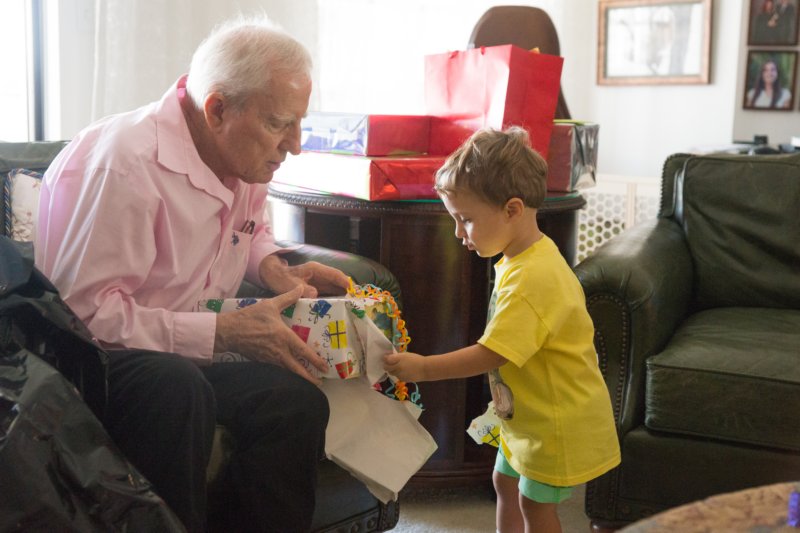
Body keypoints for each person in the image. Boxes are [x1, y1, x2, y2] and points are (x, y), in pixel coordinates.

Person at [35, 16, 350, 533]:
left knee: (295, 403)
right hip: (92, 360)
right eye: (279, 123)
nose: (294, 144)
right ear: (217, 108)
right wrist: (221, 332)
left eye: (298, 122)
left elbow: (249, 230)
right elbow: (81, 317)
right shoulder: (123, 165)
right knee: (178, 389)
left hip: (181, 350)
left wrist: (271, 265)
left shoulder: (243, 159)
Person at [383, 127, 621, 533]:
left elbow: (493, 352)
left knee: (534, 503)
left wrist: (423, 368)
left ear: (512, 209)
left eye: (466, 219)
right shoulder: (520, 257)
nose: (458, 233)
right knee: (503, 482)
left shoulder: (534, 277)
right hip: (528, 414)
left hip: (556, 420)